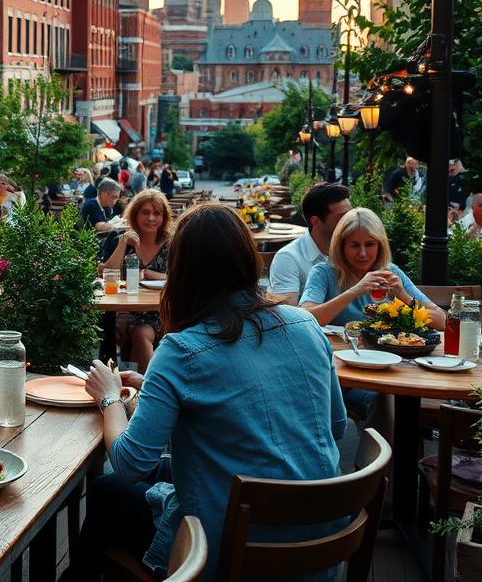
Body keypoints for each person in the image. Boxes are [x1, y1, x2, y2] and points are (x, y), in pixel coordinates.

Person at [71, 203, 346, 579]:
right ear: (248, 259)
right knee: (131, 485)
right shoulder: (305, 324)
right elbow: (336, 426)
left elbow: (133, 463)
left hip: (229, 549)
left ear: (182, 271)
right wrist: (155, 390)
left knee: (107, 491)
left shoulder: (182, 350)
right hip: (320, 546)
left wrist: (108, 399)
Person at [300, 207, 444, 328]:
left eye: (369, 244)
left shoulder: (391, 272)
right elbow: (303, 319)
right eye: (354, 245)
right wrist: (356, 290)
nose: (362, 253)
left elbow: (442, 321)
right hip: (340, 356)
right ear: (341, 246)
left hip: (389, 357)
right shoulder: (323, 272)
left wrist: (404, 296)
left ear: (380, 245)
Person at [97, 189, 172, 371]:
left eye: (157, 213)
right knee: (137, 331)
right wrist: (123, 243)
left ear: (164, 217)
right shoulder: (118, 240)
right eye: (145, 212)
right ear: (135, 215)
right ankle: (144, 390)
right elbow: (107, 273)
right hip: (124, 311)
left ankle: (142, 389)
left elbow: (183, 277)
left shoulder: (172, 243)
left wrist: (151, 274)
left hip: (163, 312)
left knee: (142, 332)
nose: (151, 218)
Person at [268, 182, 352, 305]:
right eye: (343, 217)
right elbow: (288, 316)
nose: (351, 222)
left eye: (351, 215)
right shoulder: (288, 258)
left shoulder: (356, 250)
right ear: (316, 221)